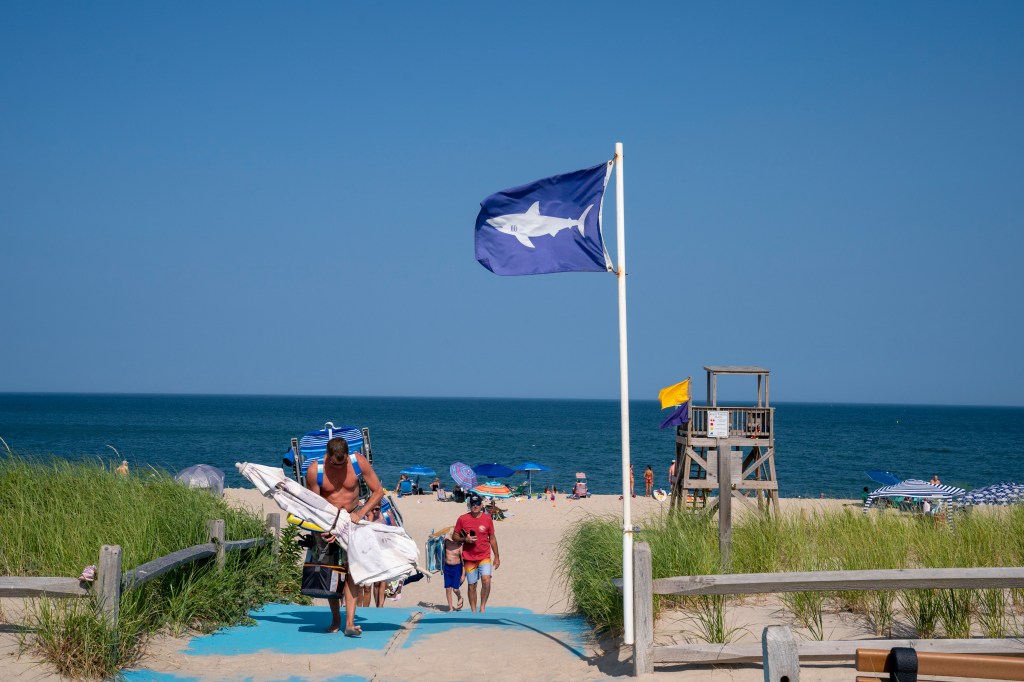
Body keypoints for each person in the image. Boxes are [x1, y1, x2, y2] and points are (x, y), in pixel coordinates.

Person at [307, 436, 384, 636]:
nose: (340, 467)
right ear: (328, 456)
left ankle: (350, 623)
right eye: (335, 463)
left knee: (353, 573)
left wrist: (361, 511)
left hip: (353, 522)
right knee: (331, 574)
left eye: (343, 463)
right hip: (326, 525)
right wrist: (329, 527)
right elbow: (312, 506)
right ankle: (336, 619)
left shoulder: (358, 462)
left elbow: (378, 491)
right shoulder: (316, 470)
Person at [454, 493, 500, 613]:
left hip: (484, 556)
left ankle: (483, 607)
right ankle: (473, 611)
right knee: (472, 585)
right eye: (473, 504)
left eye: (477, 503)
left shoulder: (487, 519)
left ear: (481, 505)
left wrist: (497, 557)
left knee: (486, 580)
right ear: (470, 505)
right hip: (469, 558)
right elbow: (455, 536)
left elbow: (492, 538)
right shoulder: (462, 519)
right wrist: (465, 539)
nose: (475, 506)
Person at [443, 528, 465, 611]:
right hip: (447, 568)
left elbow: (463, 562)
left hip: (457, 568)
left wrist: (463, 574)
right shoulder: (446, 543)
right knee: (448, 589)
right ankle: (450, 608)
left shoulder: (460, 546)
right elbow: (437, 542)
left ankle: (459, 597)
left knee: (455, 589)